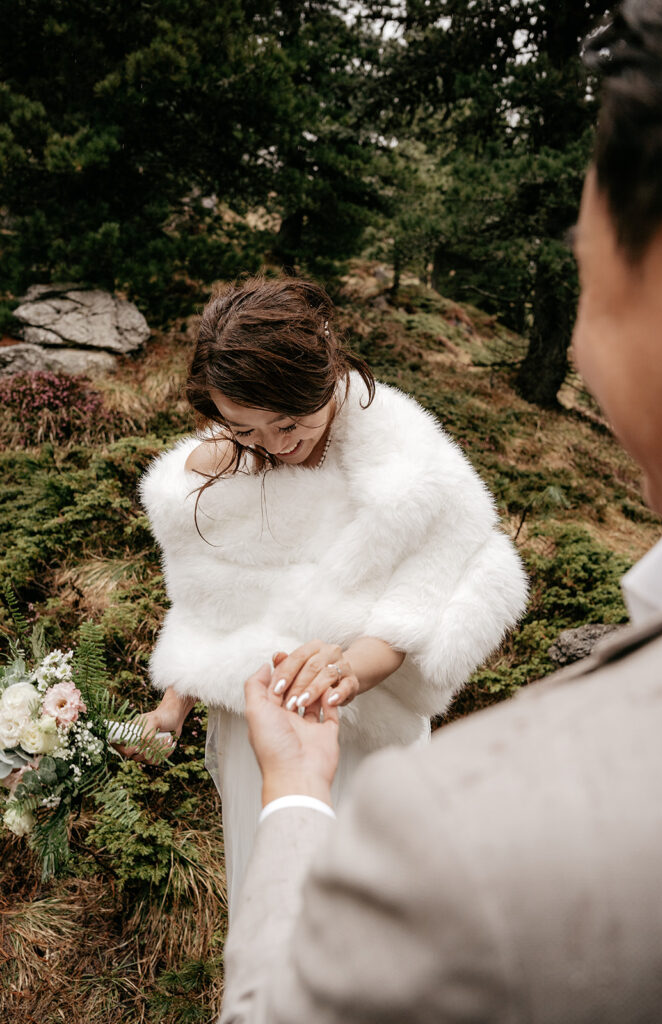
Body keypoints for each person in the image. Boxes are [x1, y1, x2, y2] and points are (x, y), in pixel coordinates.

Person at [219, 1, 662, 1021]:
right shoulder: (213, 466)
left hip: (354, 739)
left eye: (586, 258)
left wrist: (307, 768)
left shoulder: (458, 837)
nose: (573, 340)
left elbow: (470, 566)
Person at [133, 276, 527, 900]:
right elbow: (214, 604)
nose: (278, 444)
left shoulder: (408, 469)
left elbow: (410, 613)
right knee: (271, 891)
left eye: (290, 422)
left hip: (358, 727)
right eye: (246, 429)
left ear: (324, 378)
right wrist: (172, 707)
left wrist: (344, 672)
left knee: (372, 900)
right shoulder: (222, 466)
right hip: (256, 726)